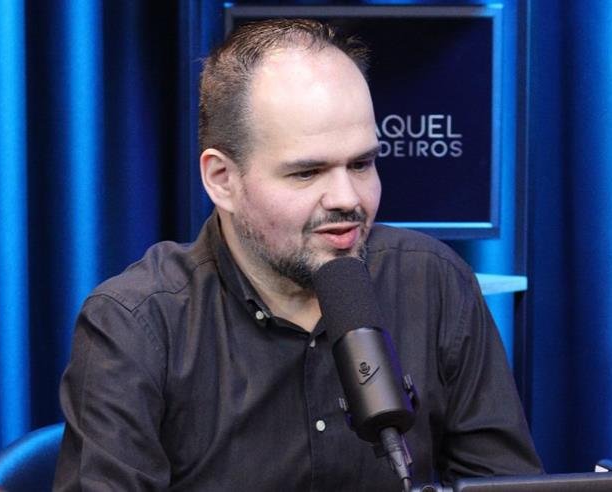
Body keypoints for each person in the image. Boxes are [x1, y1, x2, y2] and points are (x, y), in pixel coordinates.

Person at [53, 18, 542, 491]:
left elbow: (501, 484)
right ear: (222, 179)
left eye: (362, 164)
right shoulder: (137, 324)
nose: (347, 199)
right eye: (307, 173)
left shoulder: (434, 282)